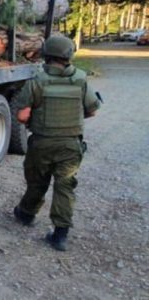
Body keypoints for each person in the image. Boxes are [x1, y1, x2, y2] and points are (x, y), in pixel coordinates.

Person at [12, 35, 101, 251]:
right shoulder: (81, 79)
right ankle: (60, 235)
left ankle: (26, 214)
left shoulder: (37, 81)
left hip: (42, 142)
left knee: (37, 181)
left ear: (47, 55)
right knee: (65, 186)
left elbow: (22, 116)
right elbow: (92, 110)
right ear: (69, 56)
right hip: (70, 144)